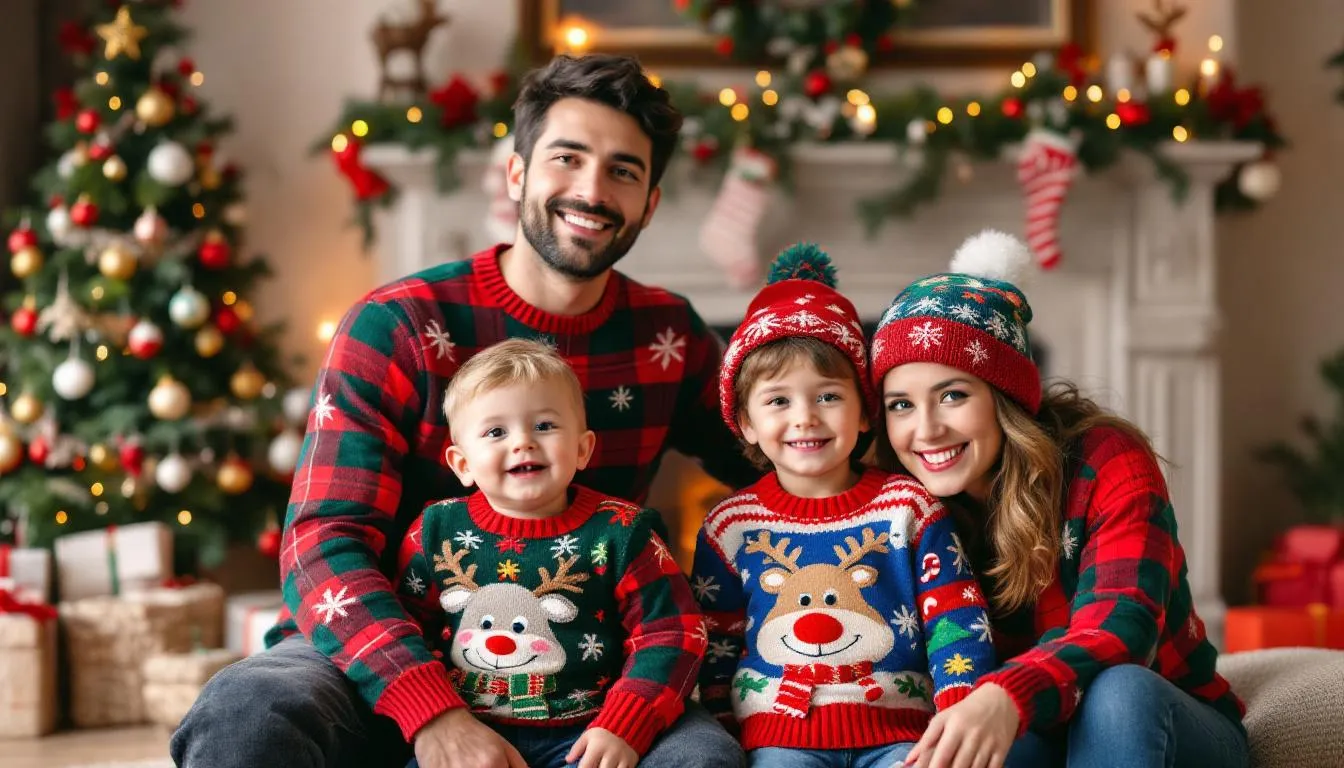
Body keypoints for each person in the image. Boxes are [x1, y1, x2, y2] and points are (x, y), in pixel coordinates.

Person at [171, 54, 757, 768]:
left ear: (649, 204)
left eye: (623, 171)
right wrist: (431, 708)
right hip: (380, 654)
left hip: (589, 673)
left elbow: (784, 462)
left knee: (703, 760)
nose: (591, 190)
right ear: (516, 174)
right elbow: (322, 540)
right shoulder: (398, 326)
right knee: (244, 713)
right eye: (567, 158)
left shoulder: (668, 335)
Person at [868, 230, 1247, 768]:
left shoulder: (1105, 459)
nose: (926, 430)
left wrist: (1007, 692)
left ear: (1004, 397)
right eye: (901, 405)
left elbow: (1122, 624)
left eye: (953, 395)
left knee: (1119, 694)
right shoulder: (899, 504)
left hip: (1166, 724)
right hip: (1039, 732)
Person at [690, 245, 997, 768]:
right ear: (746, 423)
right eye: (778, 400)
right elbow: (715, 639)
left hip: (902, 734)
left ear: (864, 413)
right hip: (780, 738)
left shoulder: (909, 508)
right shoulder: (730, 526)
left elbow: (956, 617)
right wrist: (726, 729)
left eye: (828, 396)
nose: (805, 418)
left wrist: (957, 718)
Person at [394, 339, 706, 768]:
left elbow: (672, 631)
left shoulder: (621, 531)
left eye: (544, 425)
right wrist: (434, 712)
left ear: (582, 449)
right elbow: (408, 626)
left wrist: (625, 724)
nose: (523, 443)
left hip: (588, 733)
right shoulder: (435, 530)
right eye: (496, 432)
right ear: (462, 464)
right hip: (468, 734)